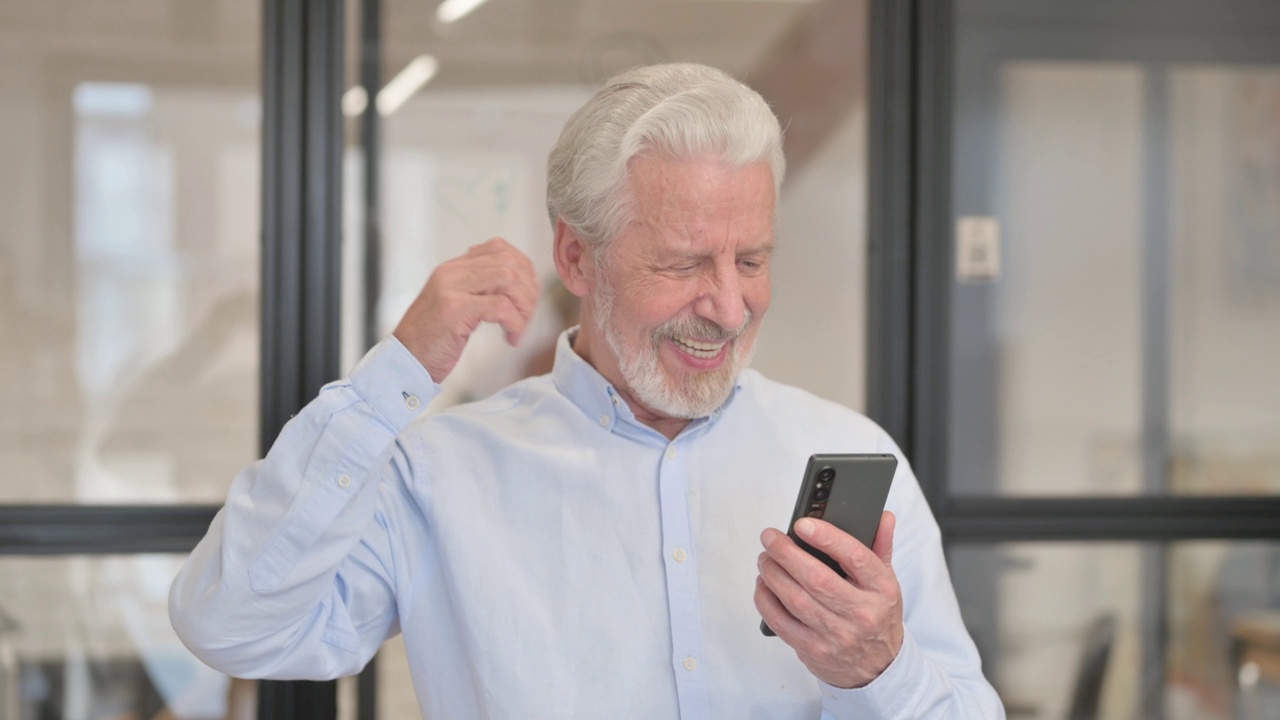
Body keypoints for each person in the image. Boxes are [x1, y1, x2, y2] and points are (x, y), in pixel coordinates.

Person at [169, 63, 1004, 719]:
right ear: (576, 259)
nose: (727, 304)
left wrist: (880, 671)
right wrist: (396, 375)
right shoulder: (439, 473)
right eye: (682, 263)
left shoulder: (855, 451)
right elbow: (232, 625)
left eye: (751, 260)